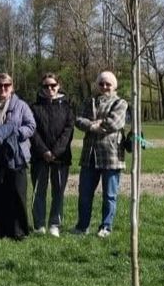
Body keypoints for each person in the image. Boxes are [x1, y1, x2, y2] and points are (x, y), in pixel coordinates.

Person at [0, 73, 36, 240]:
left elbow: (31, 125)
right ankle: (0, 229)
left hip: (16, 154)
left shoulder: (21, 105)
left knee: (18, 194)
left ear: (12, 86)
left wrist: (16, 133)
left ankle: (18, 231)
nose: (2, 88)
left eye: (6, 85)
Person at [74, 71, 128, 238]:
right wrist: (92, 125)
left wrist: (94, 124)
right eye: (101, 84)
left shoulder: (120, 103)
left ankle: (106, 227)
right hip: (89, 155)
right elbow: (78, 120)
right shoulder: (89, 101)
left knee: (109, 195)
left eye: (108, 84)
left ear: (114, 86)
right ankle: (82, 226)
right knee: (84, 194)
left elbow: (114, 122)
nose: (104, 87)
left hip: (111, 156)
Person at [30, 72, 74, 236]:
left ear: (58, 86)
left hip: (61, 158)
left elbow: (68, 131)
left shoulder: (67, 107)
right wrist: (44, 151)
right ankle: (39, 225)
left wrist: (55, 152)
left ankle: (55, 224)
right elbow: (32, 131)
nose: (49, 88)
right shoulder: (34, 107)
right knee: (38, 191)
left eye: (53, 85)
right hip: (39, 156)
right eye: (46, 86)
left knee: (58, 192)